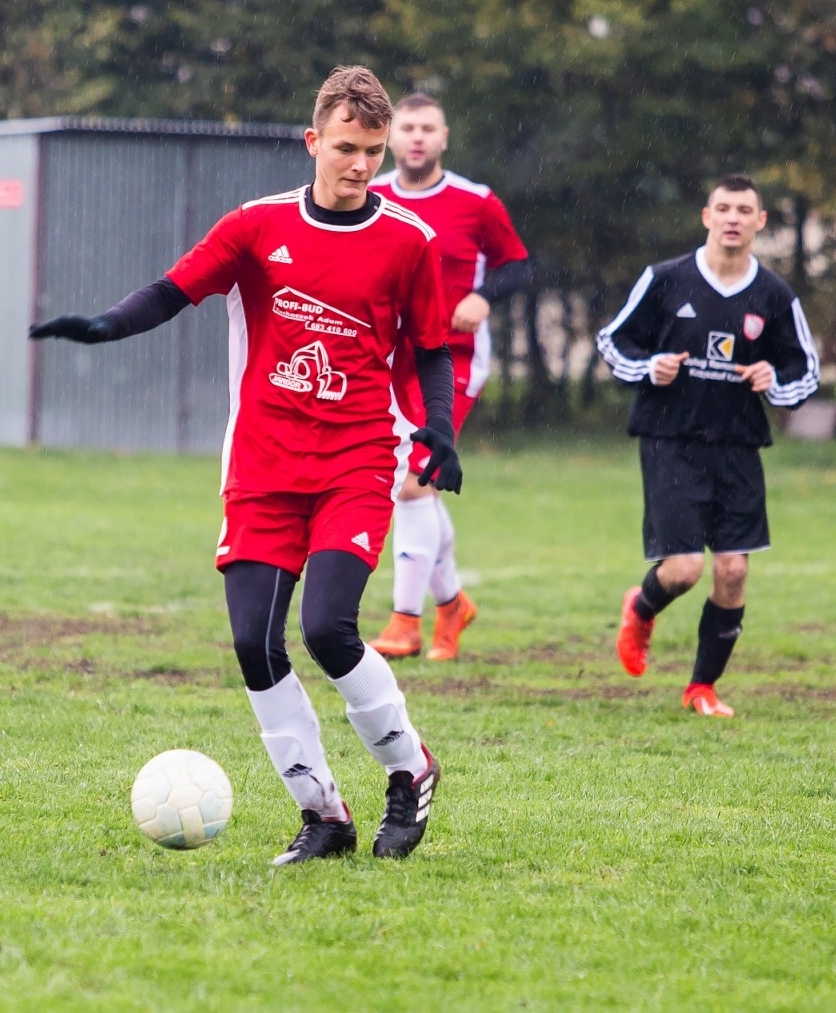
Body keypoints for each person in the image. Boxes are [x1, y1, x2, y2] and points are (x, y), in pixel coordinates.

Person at [30, 66, 454, 863]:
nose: (360, 165)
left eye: (371, 150)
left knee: (328, 627)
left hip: (355, 463)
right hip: (261, 468)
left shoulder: (408, 241)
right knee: (256, 646)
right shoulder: (257, 227)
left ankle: (409, 770)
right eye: (345, 148)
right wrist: (102, 326)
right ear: (312, 142)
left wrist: (439, 431)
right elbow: (173, 290)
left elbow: (429, 347)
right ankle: (323, 815)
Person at [595, 174, 819, 717]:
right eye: (724, 208)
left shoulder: (774, 294)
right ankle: (642, 608)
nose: (734, 218)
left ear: (761, 222)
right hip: (671, 440)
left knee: (734, 571)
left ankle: (702, 687)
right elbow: (612, 340)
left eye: (745, 209)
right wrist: (651, 366)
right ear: (707, 216)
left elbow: (804, 369)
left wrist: (775, 380)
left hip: (738, 445)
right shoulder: (666, 279)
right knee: (684, 570)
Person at [367, 93, 532, 662]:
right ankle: (452, 604)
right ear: (391, 136)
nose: (417, 137)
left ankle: (404, 624)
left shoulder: (476, 202)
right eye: (407, 127)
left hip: (453, 357)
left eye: (427, 128)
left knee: (414, 482)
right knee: (414, 487)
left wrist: (483, 298)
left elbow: (518, 264)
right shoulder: (372, 197)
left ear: (444, 137)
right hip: (387, 359)